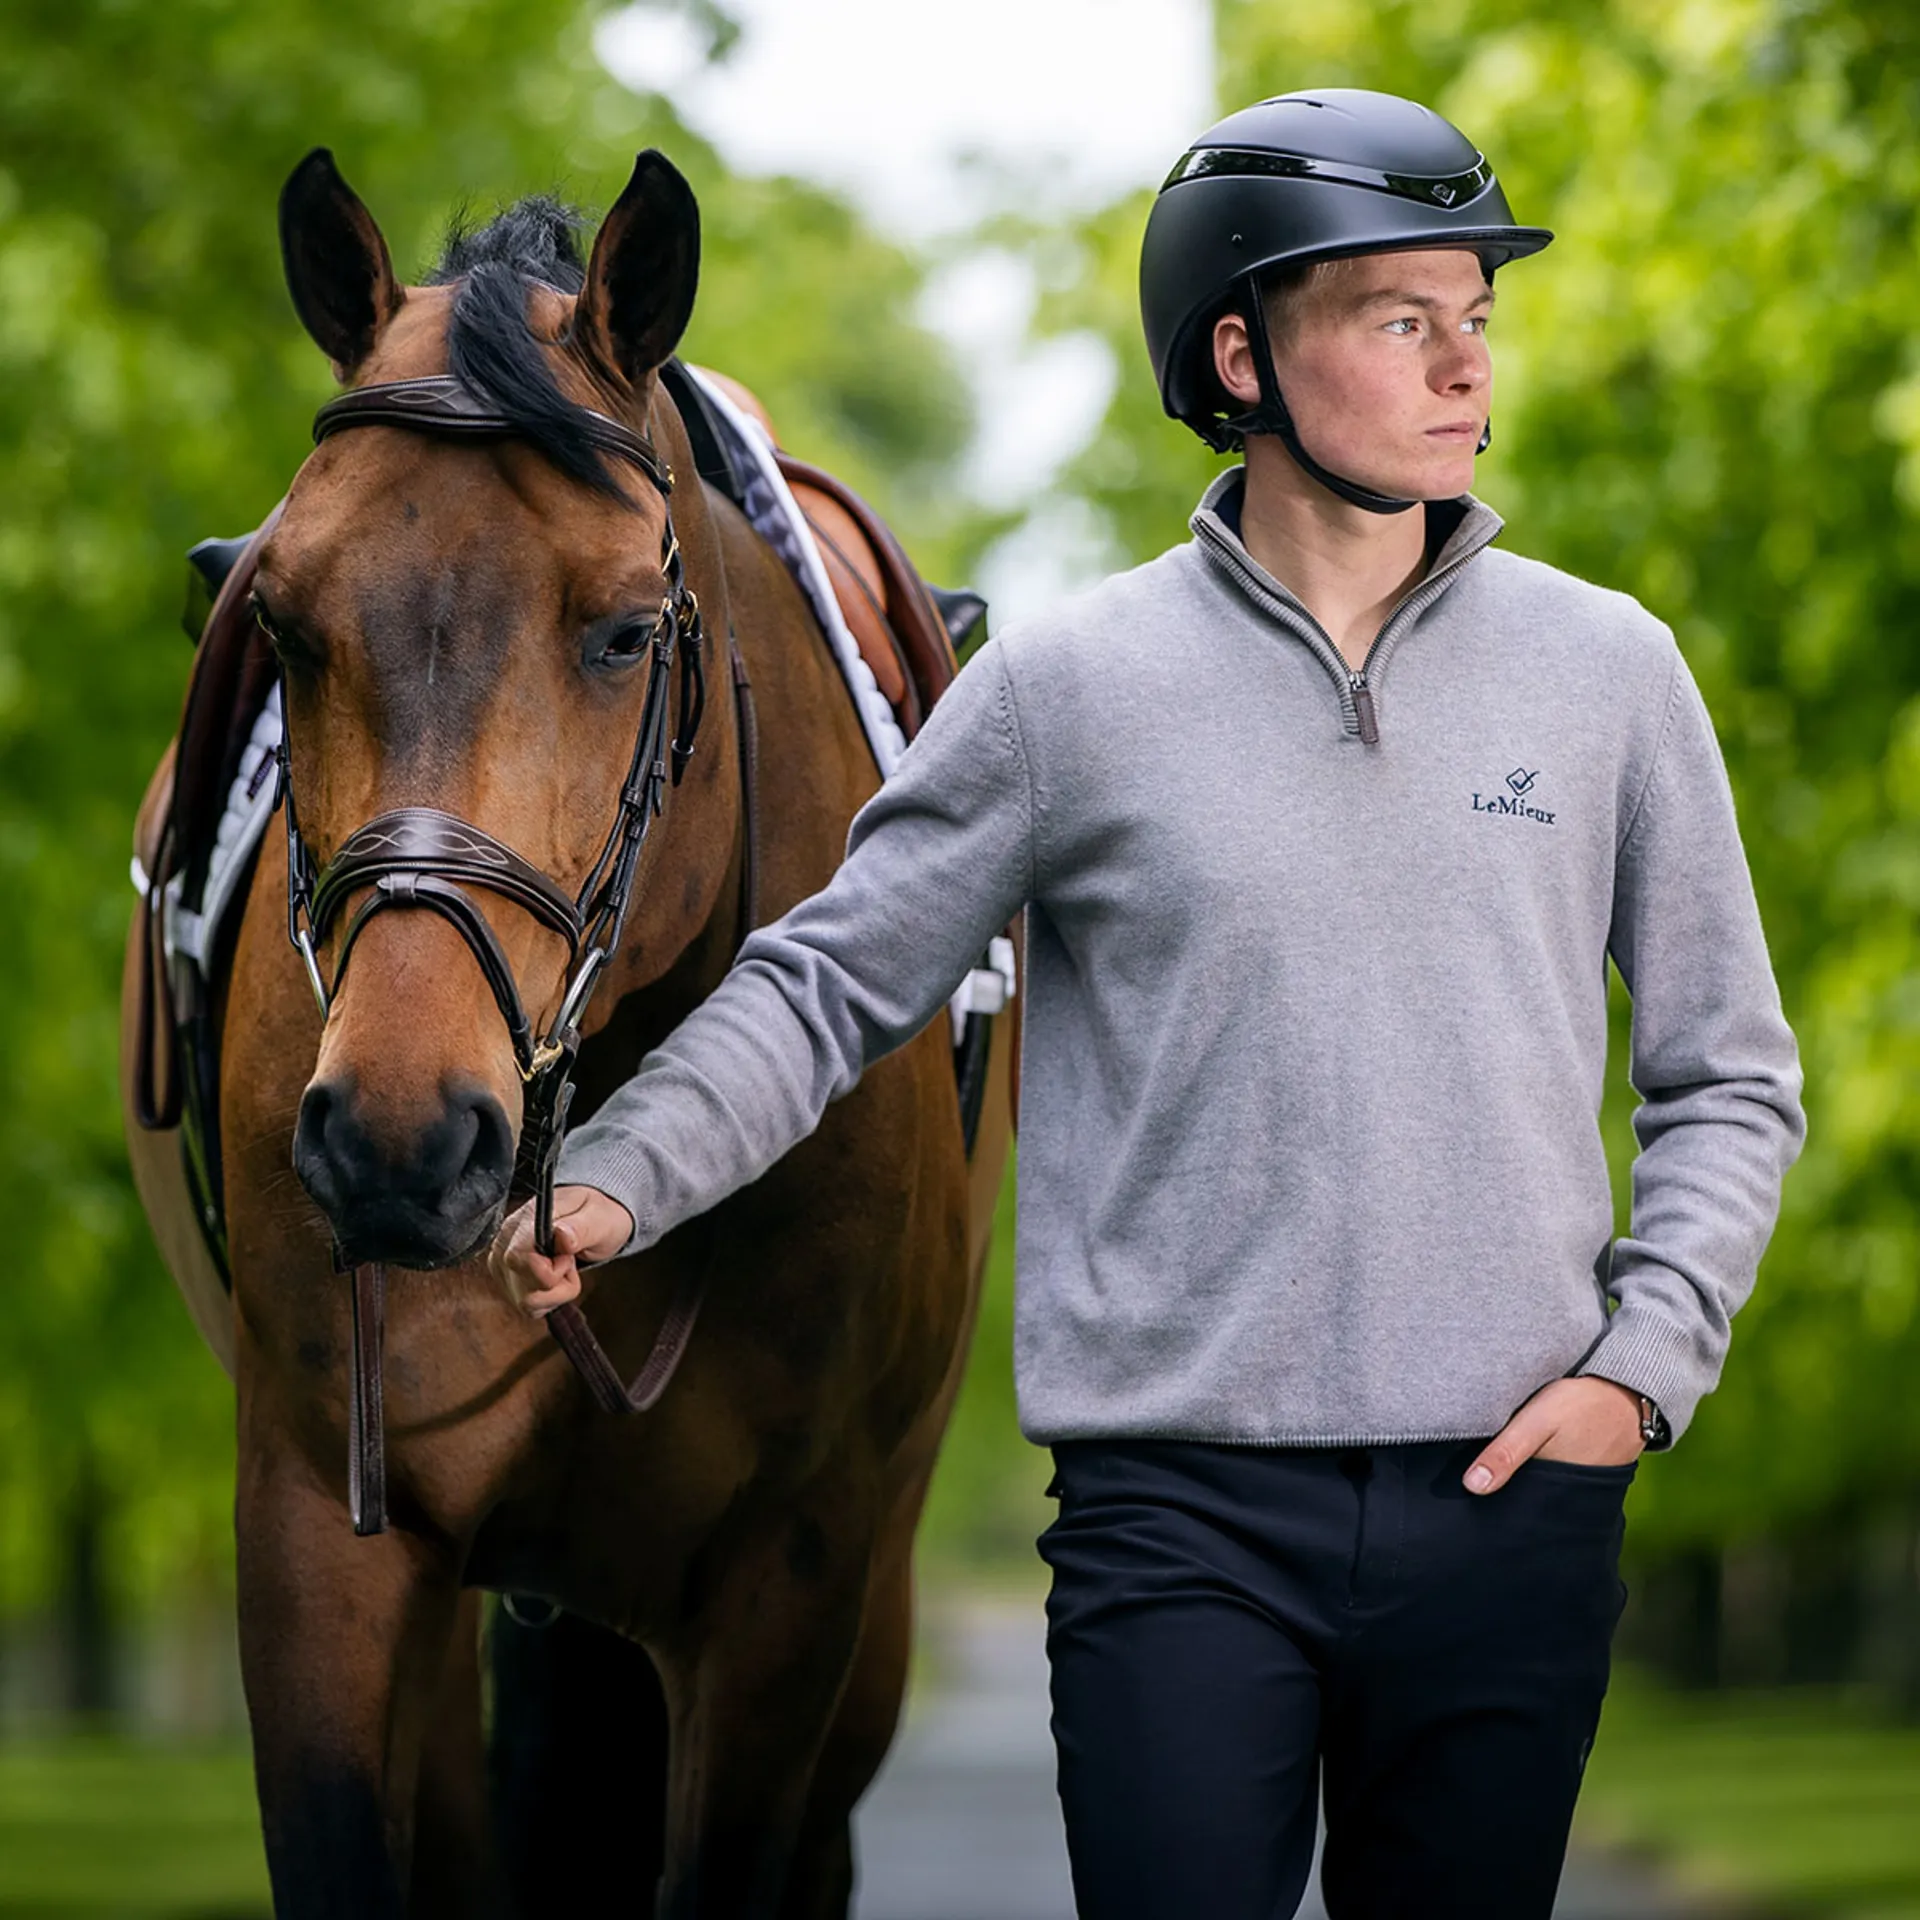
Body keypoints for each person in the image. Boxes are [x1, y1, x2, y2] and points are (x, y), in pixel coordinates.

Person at [491, 88, 1804, 1919]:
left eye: (1476, 316)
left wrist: (1639, 1376)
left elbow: (1728, 1076)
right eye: (1399, 317)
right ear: (1243, 355)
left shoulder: (1612, 677)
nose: (1461, 367)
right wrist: (619, 1174)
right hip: (1177, 1530)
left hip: (1518, 1502)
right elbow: (829, 982)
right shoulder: (1065, 692)